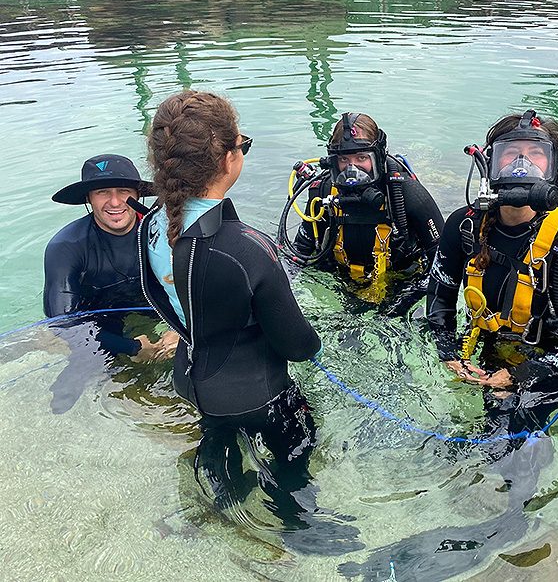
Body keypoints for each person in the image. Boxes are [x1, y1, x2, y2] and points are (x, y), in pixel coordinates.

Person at [139, 90, 356, 551]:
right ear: (226, 159)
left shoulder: (150, 223)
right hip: (255, 391)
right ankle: (298, 526)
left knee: (217, 432)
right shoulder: (246, 249)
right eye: (243, 145)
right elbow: (298, 345)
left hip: (192, 375)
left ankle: (220, 493)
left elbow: (161, 295)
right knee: (295, 446)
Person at [426, 110, 558, 444]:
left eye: (535, 154)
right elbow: (439, 303)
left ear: (553, 168)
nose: (521, 163)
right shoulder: (463, 225)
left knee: (514, 444)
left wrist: (519, 376)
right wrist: (448, 353)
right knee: (451, 440)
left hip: (550, 355)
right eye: (510, 153)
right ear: (490, 163)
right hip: (489, 346)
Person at [291, 112, 444, 306]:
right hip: (339, 282)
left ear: (378, 157)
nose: (352, 169)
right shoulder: (322, 192)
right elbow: (298, 254)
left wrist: (404, 304)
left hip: (401, 284)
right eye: (344, 160)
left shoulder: (406, 193)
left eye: (361, 158)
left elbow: (442, 261)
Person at [44, 154, 176, 364]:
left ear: (138, 194)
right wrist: (131, 348)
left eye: (123, 191)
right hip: (100, 319)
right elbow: (63, 323)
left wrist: (177, 330)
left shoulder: (163, 233)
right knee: (81, 380)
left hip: (156, 308)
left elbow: (200, 289)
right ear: (88, 198)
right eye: (102, 192)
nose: (115, 202)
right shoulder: (66, 247)